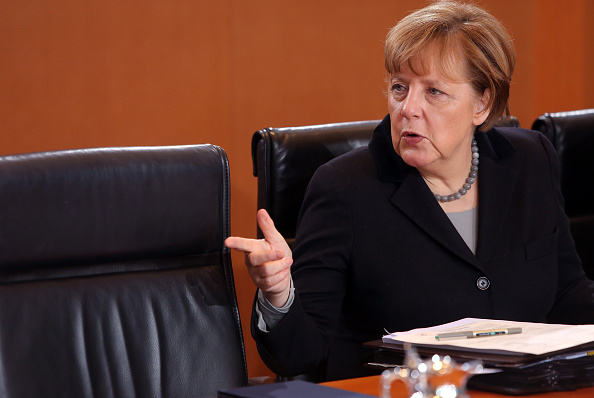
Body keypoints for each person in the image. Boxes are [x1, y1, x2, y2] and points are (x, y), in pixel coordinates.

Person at [225, 0, 594, 382]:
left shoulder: (530, 161)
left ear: (481, 104)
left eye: (434, 91)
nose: (408, 108)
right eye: (399, 88)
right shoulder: (345, 189)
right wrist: (280, 294)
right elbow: (301, 356)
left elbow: (568, 294)